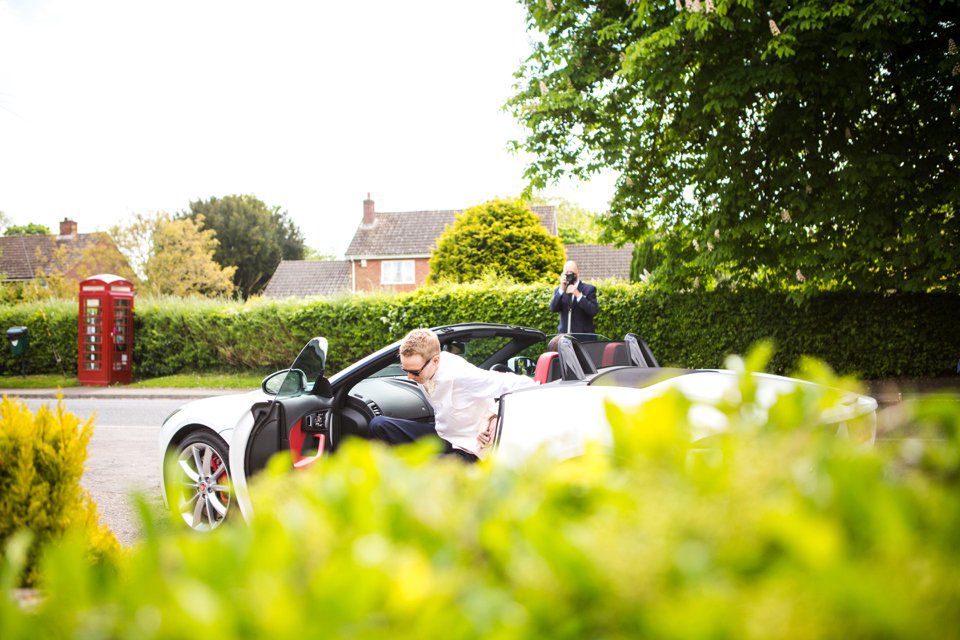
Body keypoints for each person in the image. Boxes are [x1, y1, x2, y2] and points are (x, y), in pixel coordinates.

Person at [368, 329, 536, 462]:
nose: (409, 377)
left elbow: (525, 384)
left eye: (414, 372)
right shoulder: (424, 369)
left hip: (469, 449)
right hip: (443, 436)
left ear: (435, 361)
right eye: (405, 370)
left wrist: (492, 416)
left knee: (428, 466)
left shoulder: (462, 375)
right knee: (379, 424)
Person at [549, 260, 599, 334]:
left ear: (578, 273)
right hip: (564, 337)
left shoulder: (589, 289)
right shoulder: (560, 290)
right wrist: (561, 289)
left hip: (583, 337)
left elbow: (593, 311)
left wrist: (578, 295)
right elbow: (553, 308)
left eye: (571, 272)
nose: (569, 275)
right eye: (566, 273)